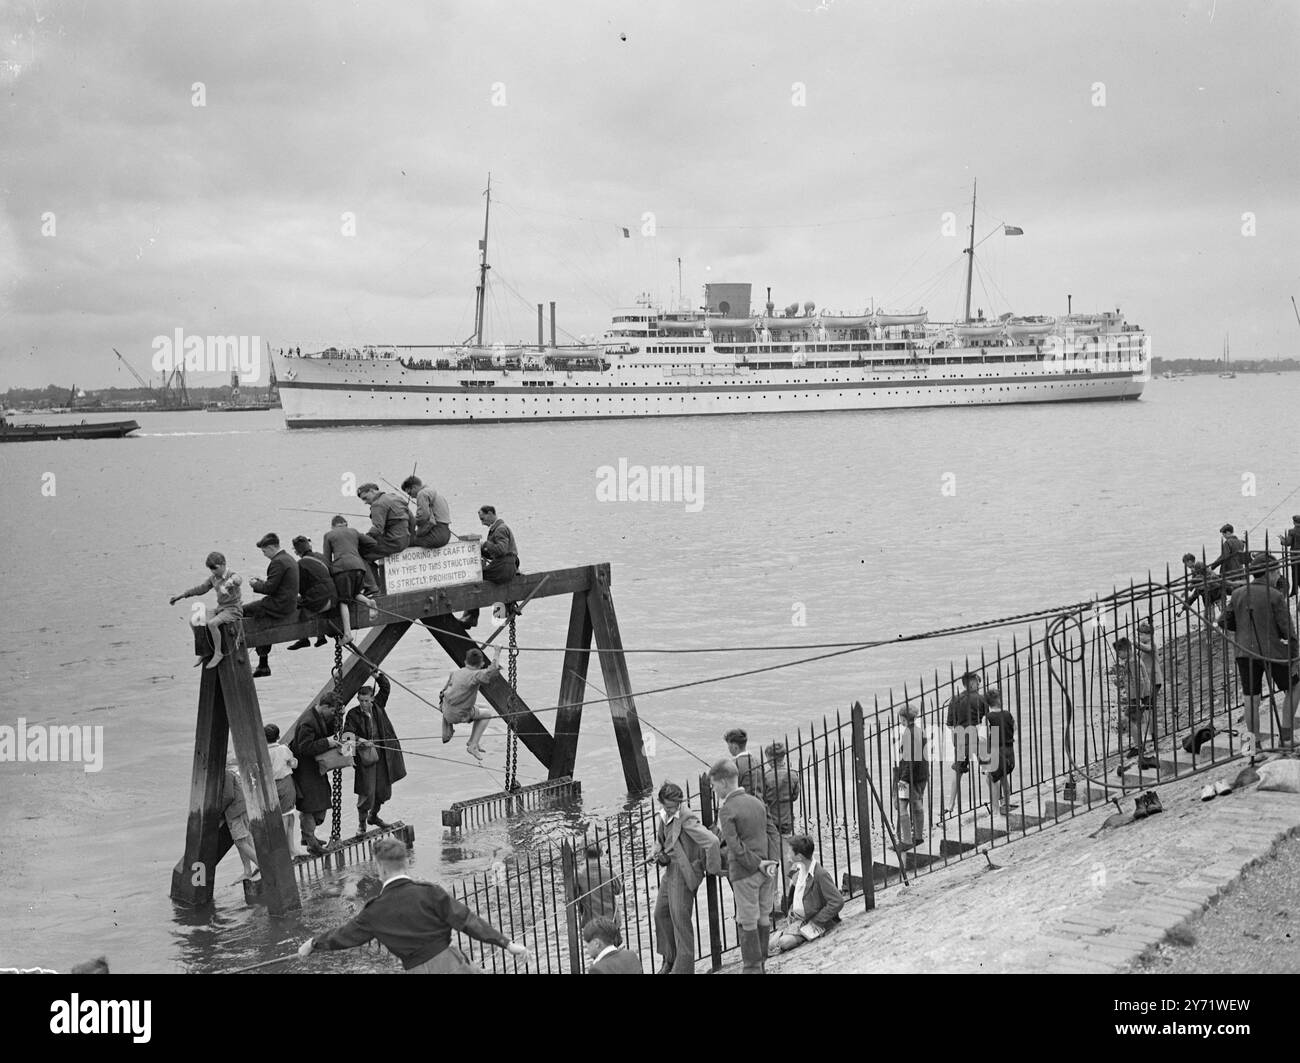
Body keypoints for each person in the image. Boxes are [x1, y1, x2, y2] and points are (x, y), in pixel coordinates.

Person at [298, 837, 532, 972]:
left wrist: (312, 943)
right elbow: (468, 921)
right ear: (407, 862)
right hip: (451, 965)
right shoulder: (430, 893)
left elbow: (343, 936)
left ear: (379, 868)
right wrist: (507, 943)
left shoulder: (374, 911)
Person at [1222, 554, 1298, 756]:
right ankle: (1287, 737)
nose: (1279, 575)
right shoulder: (1274, 595)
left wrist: (1243, 627)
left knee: (1250, 697)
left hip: (1243, 651)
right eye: (1278, 571)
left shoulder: (1237, 593)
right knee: (1295, 687)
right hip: (1272, 651)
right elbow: (1287, 630)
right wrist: (1295, 655)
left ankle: (1252, 746)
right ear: (1271, 572)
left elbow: (1224, 621)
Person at [709, 757, 778, 974]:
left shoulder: (727, 809)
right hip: (767, 869)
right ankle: (762, 964)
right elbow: (772, 833)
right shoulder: (757, 802)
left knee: (747, 920)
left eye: (713, 785)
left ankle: (752, 968)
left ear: (722, 783)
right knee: (764, 915)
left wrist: (757, 864)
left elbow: (735, 847)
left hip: (744, 871)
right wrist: (771, 863)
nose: (714, 790)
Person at [651, 781, 721, 974]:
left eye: (674, 806)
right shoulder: (665, 814)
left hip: (683, 874)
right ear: (662, 803)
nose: (671, 809)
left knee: (681, 922)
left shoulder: (687, 818)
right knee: (660, 913)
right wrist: (657, 851)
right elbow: (661, 840)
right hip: (670, 870)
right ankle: (669, 959)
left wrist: (710, 868)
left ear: (679, 803)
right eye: (667, 806)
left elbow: (713, 842)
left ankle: (683, 970)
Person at [345, 672, 408, 835]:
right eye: (361, 701)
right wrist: (358, 743)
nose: (364, 704)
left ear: (372, 699)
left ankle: (373, 816)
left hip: (385, 756)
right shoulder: (352, 714)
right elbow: (347, 735)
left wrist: (377, 675)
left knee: (383, 791)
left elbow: (386, 687)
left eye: (367, 700)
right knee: (367, 792)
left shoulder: (379, 705)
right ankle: (361, 825)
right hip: (366, 758)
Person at [289, 692, 346, 854]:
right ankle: (311, 841)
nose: (333, 714)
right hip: (305, 770)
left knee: (321, 801)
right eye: (333, 711)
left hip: (314, 767)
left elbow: (328, 729)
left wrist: (339, 718)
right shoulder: (308, 722)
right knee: (309, 805)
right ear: (325, 707)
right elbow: (304, 747)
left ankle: (307, 835)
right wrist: (327, 742)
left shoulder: (318, 717)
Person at [771, 835, 843, 954]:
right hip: (796, 919)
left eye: (790, 852)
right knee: (770, 945)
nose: (787, 854)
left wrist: (817, 920)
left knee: (784, 942)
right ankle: (790, 931)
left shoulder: (820, 874)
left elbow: (837, 901)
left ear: (799, 857)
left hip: (812, 920)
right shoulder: (797, 871)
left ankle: (802, 934)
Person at [169, 551, 242, 669]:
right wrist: (181, 596)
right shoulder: (213, 578)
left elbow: (238, 579)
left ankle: (218, 653)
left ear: (223, 564)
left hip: (233, 609)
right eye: (211, 569)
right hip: (221, 608)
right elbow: (201, 589)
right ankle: (205, 650)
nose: (213, 571)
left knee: (212, 624)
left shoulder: (230, 575)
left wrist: (231, 581)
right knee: (195, 621)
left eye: (215, 568)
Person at [757, 741, 800, 924]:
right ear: (783, 757)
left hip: (771, 826)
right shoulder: (793, 775)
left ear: (768, 759)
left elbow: (761, 799)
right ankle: (790, 900)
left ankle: (773, 904)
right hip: (787, 823)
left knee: (772, 865)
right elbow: (795, 796)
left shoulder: (765, 777)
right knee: (790, 865)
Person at [245, 533, 300, 678]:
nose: (264, 555)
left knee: (244, 610)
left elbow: (269, 589)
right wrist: (264, 582)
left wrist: (255, 584)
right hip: (289, 604)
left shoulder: (277, 562)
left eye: (264, 551)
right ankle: (263, 663)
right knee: (259, 614)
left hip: (279, 605)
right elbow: (277, 585)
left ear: (270, 547)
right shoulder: (289, 558)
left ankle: (253, 659)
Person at [438, 646, 501, 760]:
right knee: (487, 715)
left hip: (446, 708)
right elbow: (493, 670)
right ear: (481, 664)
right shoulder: (476, 675)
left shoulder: (456, 673)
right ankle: (472, 744)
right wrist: (497, 651)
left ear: (465, 661)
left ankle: (474, 741)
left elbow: (444, 690)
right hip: (457, 715)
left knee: (484, 706)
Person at [324, 515, 379, 644]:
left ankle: (347, 633)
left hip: (342, 569)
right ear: (345, 524)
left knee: (343, 601)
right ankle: (369, 602)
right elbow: (372, 543)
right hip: (359, 567)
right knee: (354, 594)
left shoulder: (329, 535)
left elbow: (327, 559)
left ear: (333, 526)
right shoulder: (354, 531)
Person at [941, 671, 987, 821]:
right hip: (976, 735)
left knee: (958, 771)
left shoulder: (954, 700)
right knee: (988, 767)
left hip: (961, 737)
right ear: (972, 683)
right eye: (978, 682)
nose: (979, 685)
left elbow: (949, 725)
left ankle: (950, 806)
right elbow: (986, 720)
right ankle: (998, 800)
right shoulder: (980, 699)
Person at [1111, 637, 1161, 771]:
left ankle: (1140, 746)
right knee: (1139, 719)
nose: (1118, 655)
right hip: (1139, 695)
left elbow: (1139, 681)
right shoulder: (1132, 661)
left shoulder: (1133, 662)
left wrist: (1138, 698)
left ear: (1127, 650)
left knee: (1131, 718)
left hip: (1138, 696)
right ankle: (1144, 743)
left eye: (1119, 652)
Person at [287, 535, 334, 650]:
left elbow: (300, 588)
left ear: (297, 551)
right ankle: (320, 636)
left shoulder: (301, 564)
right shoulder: (321, 557)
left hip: (322, 600)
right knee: (313, 596)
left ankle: (303, 639)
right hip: (334, 597)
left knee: (298, 603)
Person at [893, 703, 928, 849]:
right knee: (917, 803)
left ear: (903, 718)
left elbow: (909, 759)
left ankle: (906, 841)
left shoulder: (908, 733)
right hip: (922, 774)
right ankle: (918, 837)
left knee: (901, 807)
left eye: (900, 718)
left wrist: (902, 779)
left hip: (907, 776)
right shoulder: (921, 731)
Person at [357, 483, 412, 563]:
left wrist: (364, 540)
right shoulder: (396, 497)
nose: (365, 502)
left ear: (372, 491)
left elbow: (377, 529)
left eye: (365, 498)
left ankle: (374, 575)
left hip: (392, 542)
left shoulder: (377, 504)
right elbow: (412, 519)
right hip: (405, 540)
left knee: (361, 552)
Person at [221, 767, 258, 882]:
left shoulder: (225, 774)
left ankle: (262, 865)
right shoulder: (231, 773)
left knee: (240, 842)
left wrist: (219, 811)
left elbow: (228, 796)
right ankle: (247, 871)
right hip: (243, 808)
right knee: (245, 840)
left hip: (235, 811)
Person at [982, 689, 1016, 815]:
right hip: (1009, 751)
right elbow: (1014, 727)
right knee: (1003, 778)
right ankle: (1006, 804)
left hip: (997, 752)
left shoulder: (988, 717)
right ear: (999, 700)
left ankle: (995, 810)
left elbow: (984, 737)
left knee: (992, 779)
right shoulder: (1008, 714)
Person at [575, 842, 622, 926]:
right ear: (601, 853)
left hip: (591, 924)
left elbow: (574, 895)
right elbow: (618, 890)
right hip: (611, 921)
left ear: (583, 854)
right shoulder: (610, 873)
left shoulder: (579, 876)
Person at [402, 475, 452, 550]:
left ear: (414, 487)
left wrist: (411, 521)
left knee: (405, 541)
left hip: (436, 536)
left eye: (409, 493)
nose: (411, 497)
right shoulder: (434, 492)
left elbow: (423, 516)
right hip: (446, 535)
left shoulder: (422, 494)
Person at [1180, 553, 1227, 622]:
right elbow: (1194, 581)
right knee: (1213, 610)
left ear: (1189, 561)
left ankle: (1223, 622)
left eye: (1186, 563)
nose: (1186, 566)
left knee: (1220, 607)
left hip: (1214, 588)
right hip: (1209, 590)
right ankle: (1215, 623)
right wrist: (1186, 591)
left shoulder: (1199, 564)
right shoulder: (1194, 570)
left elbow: (1202, 576)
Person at [478, 505, 519, 583]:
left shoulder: (500, 529)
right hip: (507, 566)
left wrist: (485, 544)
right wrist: (481, 550)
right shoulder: (499, 528)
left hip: (504, 568)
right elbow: (497, 553)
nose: (482, 523)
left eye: (482, 519)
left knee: (477, 575)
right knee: (480, 573)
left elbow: (501, 550)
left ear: (490, 513)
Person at [264, 723, 298, 815]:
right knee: (287, 814)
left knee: (271, 815)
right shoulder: (283, 749)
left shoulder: (261, 753)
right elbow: (294, 765)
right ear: (278, 737)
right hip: (285, 784)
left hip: (268, 785)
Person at [724, 727, 757, 792]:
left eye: (728, 745)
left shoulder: (733, 764)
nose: (728, 748)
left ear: (735, 746)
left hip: (742, 800)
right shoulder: (757, 761)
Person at [1281, 516, 1300, 599]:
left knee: (1295, 574)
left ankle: (1294, 591)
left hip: (1295, 556)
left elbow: (1288, 543)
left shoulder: (1292, 531)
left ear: (1294, 522)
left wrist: (1282, 539)